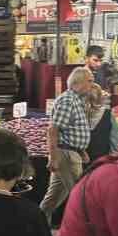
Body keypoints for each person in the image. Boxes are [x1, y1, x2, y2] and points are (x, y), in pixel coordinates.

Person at [40, 67, 95, 223]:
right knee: (81, 196)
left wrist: (81, 150)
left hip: (71, 153)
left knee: (53, 198)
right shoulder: (67, 100)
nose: (93, 84)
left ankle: (38, 226)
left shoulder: (76, 100)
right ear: (78, 82)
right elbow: (53, 129)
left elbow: (71, 129)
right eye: (90, 81)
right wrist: (53, 157)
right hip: (66, 155)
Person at [83, 80, 118, 162]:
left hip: (81, 161)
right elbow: (115, 141)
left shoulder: (78, 113)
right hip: (102, 162)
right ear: (101, 98)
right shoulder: (108, 114)